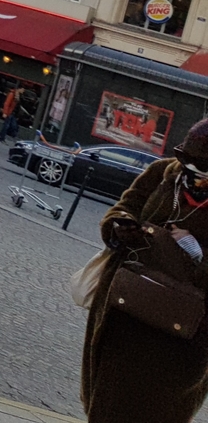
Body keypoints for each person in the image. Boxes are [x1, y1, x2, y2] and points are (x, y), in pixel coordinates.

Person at [82, 119, 208, 422]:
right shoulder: (162, 174)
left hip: (185, 331)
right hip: (127, 311)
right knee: (108, 403)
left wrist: (196, 252)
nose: (194, 175)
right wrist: (119, 225)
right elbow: (125, 206)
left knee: (162, 409)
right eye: (188, 163)